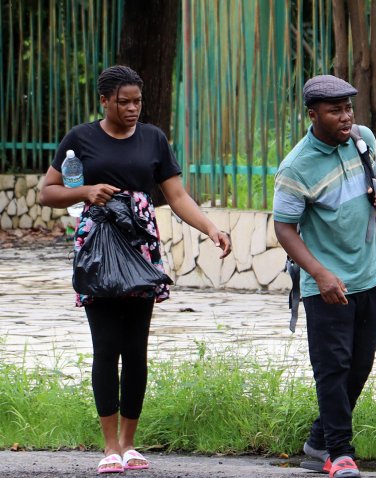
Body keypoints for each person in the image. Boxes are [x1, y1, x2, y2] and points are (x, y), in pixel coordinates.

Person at [38, 65, 232, 474]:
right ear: (104, 101)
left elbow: (176, 196)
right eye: (123, 101)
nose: (132, 109)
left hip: (141, 247)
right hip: (99, 250)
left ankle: (129, 443)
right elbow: (47, 193)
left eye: (137, 101)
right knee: (106, 348)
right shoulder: (80, 139)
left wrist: (211, 227)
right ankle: (108, 446)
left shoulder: (154, 138)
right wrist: (86, 190)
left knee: (136, 349)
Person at [273, 75, 376, 478]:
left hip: (370, 273)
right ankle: (339, 453)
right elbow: (284, 227)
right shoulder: (296, 167)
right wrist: (319, 273)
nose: (346, 117)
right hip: (327, 285)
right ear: (312, 115)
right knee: (333, 367)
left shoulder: (363, 140)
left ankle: (319, 438)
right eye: (335, 110)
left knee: (360, 364)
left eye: (348, 108)